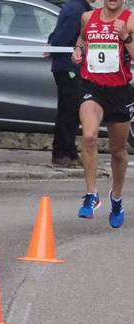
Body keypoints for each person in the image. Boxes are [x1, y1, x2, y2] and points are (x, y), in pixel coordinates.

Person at [73, 0, 133, 226]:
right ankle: (91, 195)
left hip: (119, 91)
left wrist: (125, 37)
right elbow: (82, 38)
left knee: (118, 152)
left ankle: (116, 199)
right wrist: (78, 49)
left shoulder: (130, 19)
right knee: (89, 136)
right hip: (92, 87)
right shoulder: (88, 18)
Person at [50, 0, 93, 168]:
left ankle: (67, 151)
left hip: (69, 66)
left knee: (70, 110)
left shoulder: (77, 7)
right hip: (69, 67)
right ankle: (62, 153)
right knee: (69, 111)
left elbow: (55, 35)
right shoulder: (77, 9)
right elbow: (62, 38)